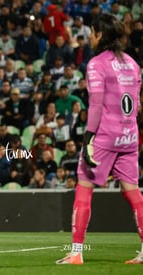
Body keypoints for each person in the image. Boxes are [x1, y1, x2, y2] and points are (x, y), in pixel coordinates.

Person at [56, 14, 143, 265]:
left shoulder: (96, 64)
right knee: (133, 193)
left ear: (100, 34)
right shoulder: (132, 63)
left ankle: (76, 252)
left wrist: (88, 138)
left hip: (104, 135)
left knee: (84, 189)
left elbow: (95, 105)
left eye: (93, 32)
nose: (90, 37)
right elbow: (136, 106)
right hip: (129, 135)